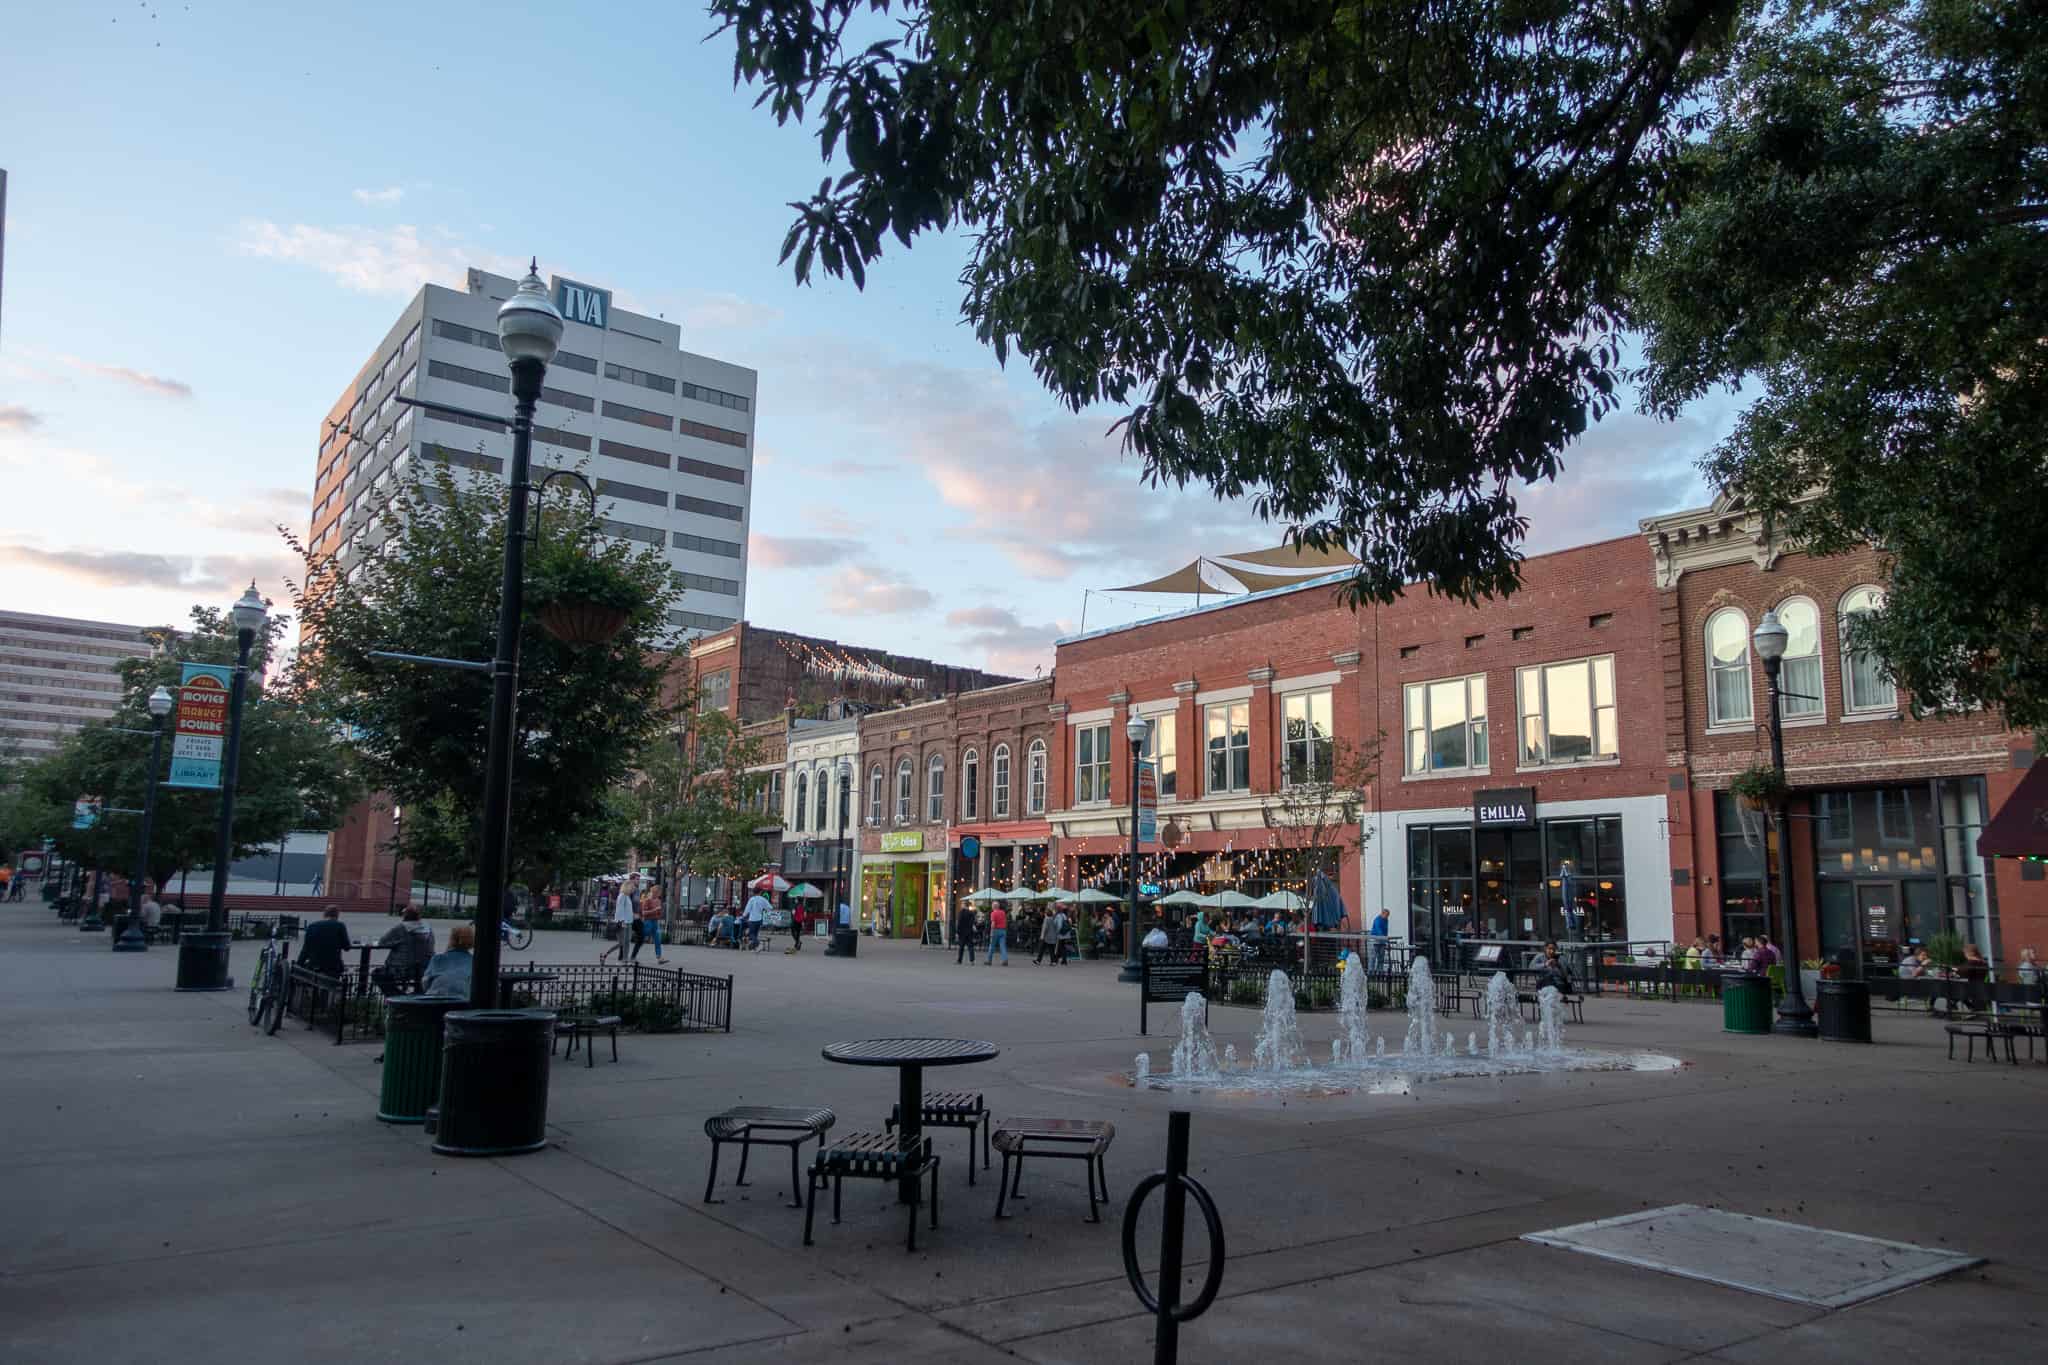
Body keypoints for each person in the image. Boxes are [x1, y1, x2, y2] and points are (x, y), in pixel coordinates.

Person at [373, 907, 434, 994]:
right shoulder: (428, 928)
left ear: (404, 916)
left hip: (401, 968)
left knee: (377, 974)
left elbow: (382, 942)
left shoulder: (401, 928)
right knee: (418, 980)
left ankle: (397, 996)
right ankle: (419, 995)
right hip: (425, 968)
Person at [421, 924, 475, 998]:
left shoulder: (438, 958)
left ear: (451, 939)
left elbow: (425, 983)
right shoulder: (474, 961)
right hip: (463, 1001)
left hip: (435, 999)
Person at [298, 905, 351, 976]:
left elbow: (306, 948)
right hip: (333, 967)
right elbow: (347, 947)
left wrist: (299, 965)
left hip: (314, 965)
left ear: (324, 914)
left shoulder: (311, 926)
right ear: (337, 915)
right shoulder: (340, 925)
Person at [600, 879, 638, 964]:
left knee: (626, 942)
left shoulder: (627, 896)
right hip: (623, 922)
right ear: (627, 887)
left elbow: (627, 910)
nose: (633, 890)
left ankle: (624, 958)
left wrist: (633, 916)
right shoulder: (622, 896)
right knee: (623, 942)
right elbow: (619, 910)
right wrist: (622, 921)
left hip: (629, 921)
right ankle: (609, 955)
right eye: (632, 888)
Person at [633, 883, 665, 962]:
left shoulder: (658, 900)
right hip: (648, 922)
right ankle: (633, 955)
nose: (660, 894)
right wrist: (655, 910)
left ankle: (659, 957)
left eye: (660, 892)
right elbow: (644, 913)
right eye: (659, 892)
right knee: (641, 939)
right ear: (655, 892)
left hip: (655, 922)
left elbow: (659, 912)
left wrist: (660, 913)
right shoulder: (647, 900)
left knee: (657, 940)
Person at [985, 901, 1009, 966]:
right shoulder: (1003, 912)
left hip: (995, 930)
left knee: (992, 946)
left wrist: (991, 932)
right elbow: (1005, 921)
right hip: (1003, 930)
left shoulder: (993, 913)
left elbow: (993, 923)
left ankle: (989, 960)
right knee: (1003, 946)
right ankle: (1005, 959)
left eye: (992, 906)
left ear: (994, 906)